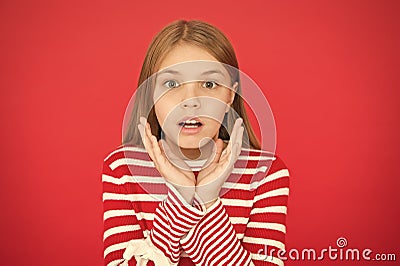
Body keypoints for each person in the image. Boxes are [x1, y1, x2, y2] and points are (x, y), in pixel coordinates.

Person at [102, 20, 290, 266]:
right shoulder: (122, 169)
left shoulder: (265, 173)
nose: (190, 101)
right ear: (151, 95)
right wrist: (181, 196)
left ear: (230, 95)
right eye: (171, 84)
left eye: (209, 84)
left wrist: (208, 199)